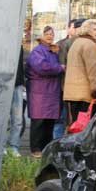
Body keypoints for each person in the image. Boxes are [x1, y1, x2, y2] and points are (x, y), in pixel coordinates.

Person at [26, 26, 65, 158]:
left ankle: (45, 148)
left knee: (49, 121)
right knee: (39, 121)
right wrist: (59, 68)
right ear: (41, 36)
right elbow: (42, 68)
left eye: (51, 34)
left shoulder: (52, 52)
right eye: (47, 34)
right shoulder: (37, 51)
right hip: (40, 91)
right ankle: (35, 148)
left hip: (51, 91)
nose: (49, 36)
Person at [64, 18, 96, 125]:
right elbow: (95, 72)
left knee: (75, 126)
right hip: (85, 95)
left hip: (73, 93)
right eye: (95, 29)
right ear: (88, 31)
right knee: (85, 129)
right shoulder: (90, 45)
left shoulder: (76, 43)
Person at [53, 18, 85, 139]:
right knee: (62, 117)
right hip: (65, 86)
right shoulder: (62, 44)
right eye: (73, 27)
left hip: (76, 87)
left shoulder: (85, 43)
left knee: (75, 117)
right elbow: (62, 66)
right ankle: (58, 141)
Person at [5, 45, 25, 157]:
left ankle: (13, 146)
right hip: (4, 83)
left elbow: (20, 66)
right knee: (4, 119)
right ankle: (1, 146)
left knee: (18, 119)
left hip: (17, 84)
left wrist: (22, 83)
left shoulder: (19, 45)